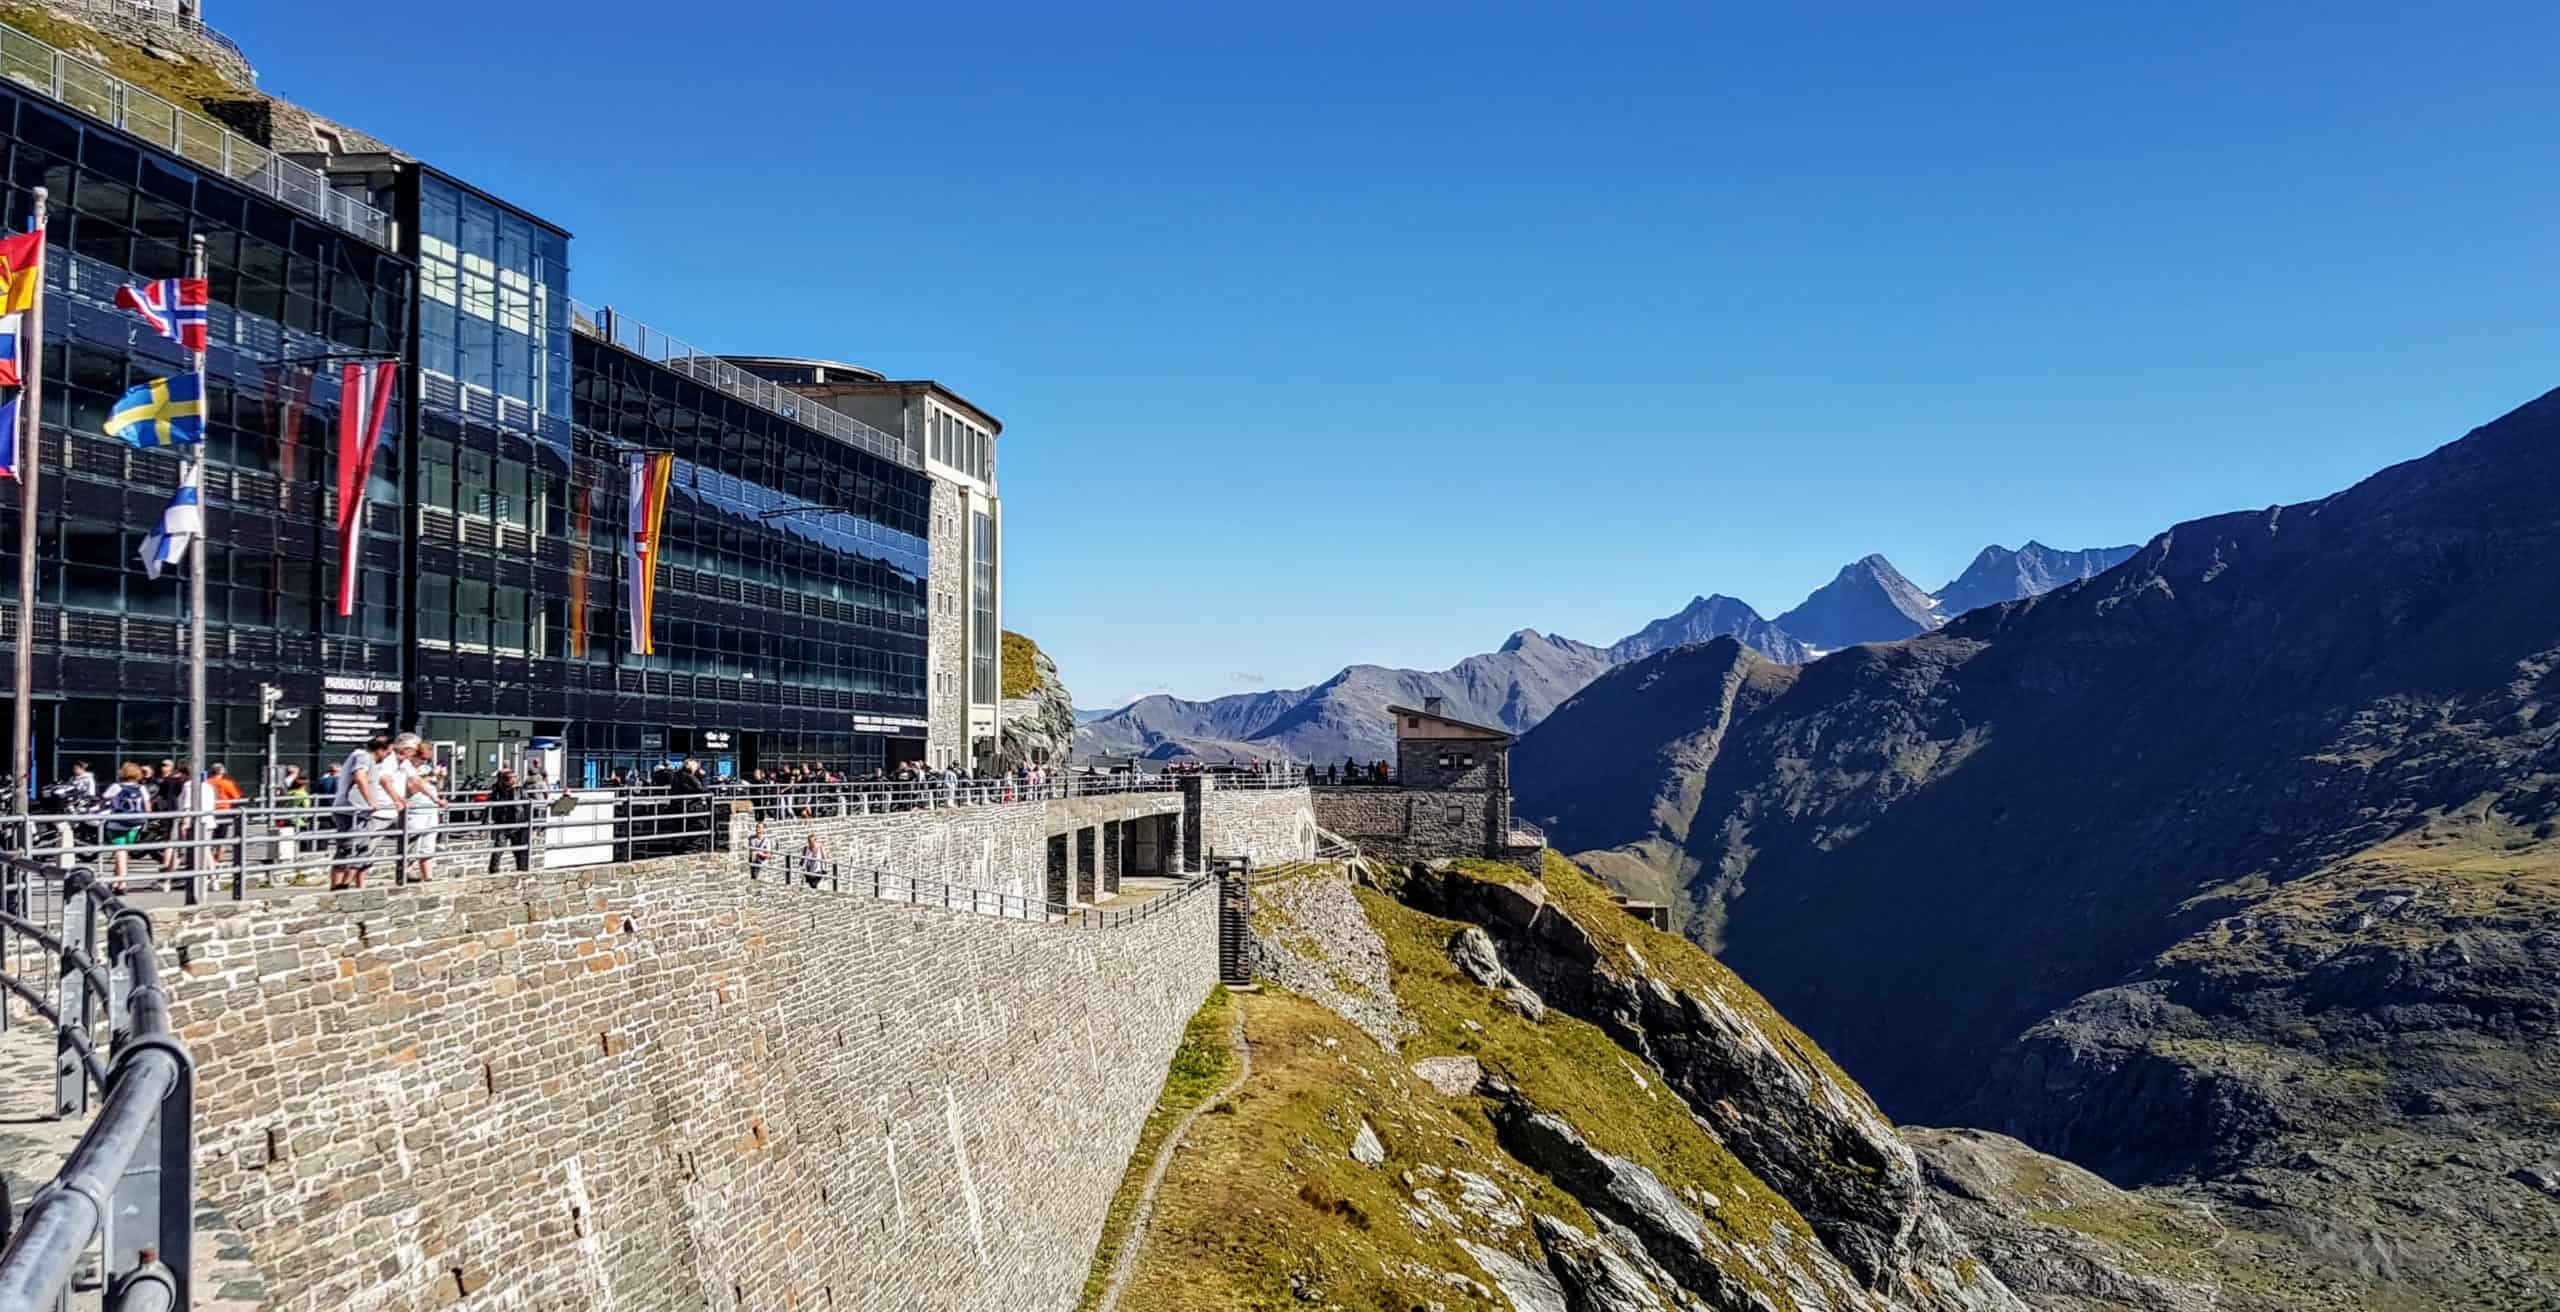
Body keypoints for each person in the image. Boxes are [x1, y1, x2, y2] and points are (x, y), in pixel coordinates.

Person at [331, 735, 400, 890]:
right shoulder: (363, 757)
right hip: (351, 810)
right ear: (381, 750)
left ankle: (344, 885)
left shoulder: (371, 762)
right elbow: (360, 777)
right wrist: (370, 801)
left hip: (361, 812)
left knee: (361, 848)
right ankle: (336, 887)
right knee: (347, 848)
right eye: (389, 752)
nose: (389, 755)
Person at [399, 743, 448, 883]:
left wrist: (441, 777)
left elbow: (437, 788)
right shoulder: (406, 769)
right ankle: (403, 875)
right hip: (415, 810)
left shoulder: (426, 768)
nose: (425, 761)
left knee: (428, 846)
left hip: (430, 809)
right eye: (423, 758)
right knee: (411, 845)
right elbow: (412, 789)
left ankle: (428, 877)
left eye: (427, 758)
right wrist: (431, 775)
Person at [100, 763, 152, 890]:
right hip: (135, 824)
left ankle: (122, 882)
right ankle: (116, 881)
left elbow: (103, 800)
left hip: (117, 823)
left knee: (120, 852)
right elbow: (148, 808)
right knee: (123, 852)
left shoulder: (116, 787)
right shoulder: (141, 788)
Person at [484, 767, 531, 873]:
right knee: (498, 848)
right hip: (503, 823)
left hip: (518, 824)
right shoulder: (497, 791)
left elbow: (527, 805)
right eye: (508, 779)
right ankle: (493, 870)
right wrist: (485, 822)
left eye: (513, 778)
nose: (511, 781)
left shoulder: (520, 790)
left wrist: (530, 824)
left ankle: (522, 870)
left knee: (519, 850)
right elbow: (489, 806)